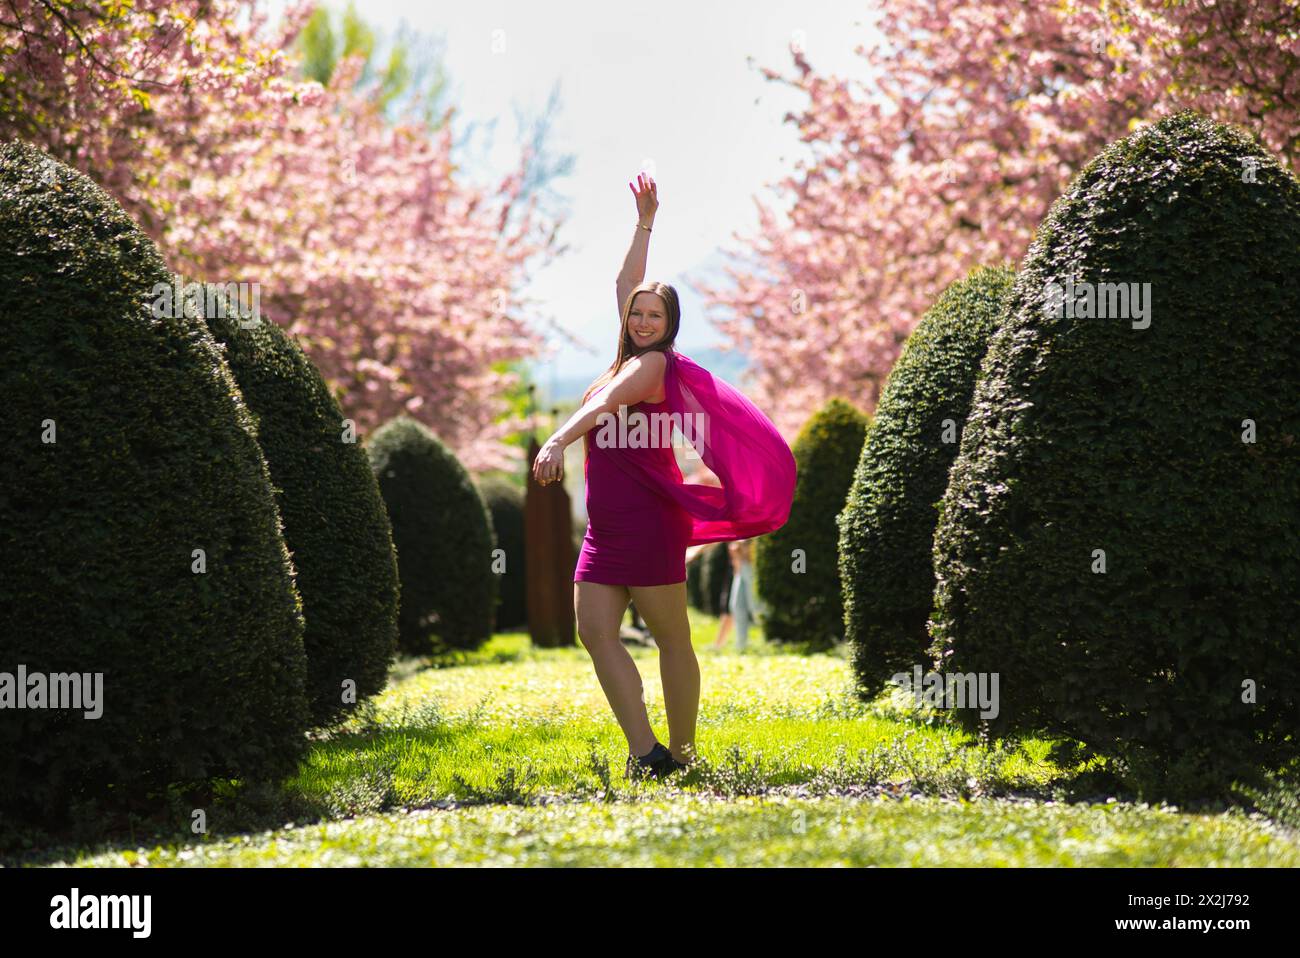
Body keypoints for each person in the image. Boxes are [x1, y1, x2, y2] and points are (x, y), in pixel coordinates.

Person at [531, 172, 796, 782]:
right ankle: (646, 750)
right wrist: (645, 222)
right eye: (637, 314)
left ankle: (683, 753)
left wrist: (556, 439)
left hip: (652, 524)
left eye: (655, 314)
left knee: (674, 640)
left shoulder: (650, 368)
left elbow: (604, 407)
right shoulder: (621, 356)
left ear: (669, 324)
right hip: (607, 529)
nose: (644, 320)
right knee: (594, 630)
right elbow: (626, 284)